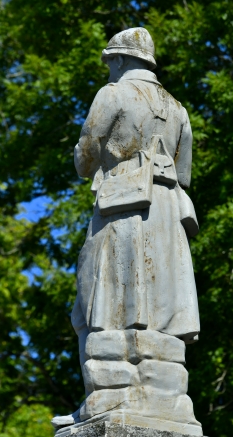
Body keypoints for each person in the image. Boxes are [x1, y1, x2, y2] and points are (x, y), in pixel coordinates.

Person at [52, 27, 201, 432]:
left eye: (110, 62)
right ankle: (166, 399)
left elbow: (85, 158)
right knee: (162, 308)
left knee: (99, 302)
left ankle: (107, 394)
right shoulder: (178, 108)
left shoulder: (113, 93)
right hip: (167, 215)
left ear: (119, 60)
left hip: (121, 206)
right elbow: (184, 171)